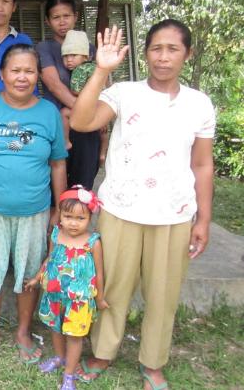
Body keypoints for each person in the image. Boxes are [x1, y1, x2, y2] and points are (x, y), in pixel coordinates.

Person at [70, 22, 215, 390]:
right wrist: (101, 70)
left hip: (173, 214)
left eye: (173, 49)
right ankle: (102, 352)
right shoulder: (124, 93)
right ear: (146, 52)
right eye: (156, 48)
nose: (163, 57)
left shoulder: (199, 103)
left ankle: (153, 362)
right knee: (113, 288)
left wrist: (203, 218)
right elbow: (82, 121)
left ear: (187, 54)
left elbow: (202, 164)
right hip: (121, 209)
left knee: (163, 294)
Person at [0, 44, 67, 367]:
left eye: (29, 71)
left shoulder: (48, 113)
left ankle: (23, 331)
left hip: (35, 207)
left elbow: (58, 164)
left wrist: (58, 210)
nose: (22, 77)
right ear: (2, 74)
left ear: (38, 76)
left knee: (30, 272)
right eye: (15, 70)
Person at [25, 186, 108, 390]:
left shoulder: (93, 243)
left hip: (79, 299)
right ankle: (60, 357)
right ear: (60, 215)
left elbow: (99, 272)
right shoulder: (56, 235)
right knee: (55, 327)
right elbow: (50, 259)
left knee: (74, 335)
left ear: (90, 218)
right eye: (68, 216)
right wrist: (37, 277)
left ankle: (69, 373)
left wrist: (99, 298)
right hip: (54, 293)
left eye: (80, 218)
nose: (73, 223)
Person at [36, 0, 100, 189]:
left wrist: (98, 115)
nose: (62, 22)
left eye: (66, 16)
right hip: (56, 125)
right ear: (47, 21)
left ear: (75, 17)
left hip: (87, 128)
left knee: (82, 187)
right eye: (56, 17)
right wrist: (86, 111)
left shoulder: (90, 49)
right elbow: (54, 85)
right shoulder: (44, 48)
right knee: (53, 186)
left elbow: (100, 83)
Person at [59, 30, 108, 159]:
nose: (69, 60)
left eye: (73, 55)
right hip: (103, 104)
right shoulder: (96, 66)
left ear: (85, 57)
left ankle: (66, 141)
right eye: (65, 56)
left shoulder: (79, 70)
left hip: (90, 105)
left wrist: (85, 93)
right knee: (103, 131)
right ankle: (103, 153)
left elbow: (75, 90)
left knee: (63, 113)